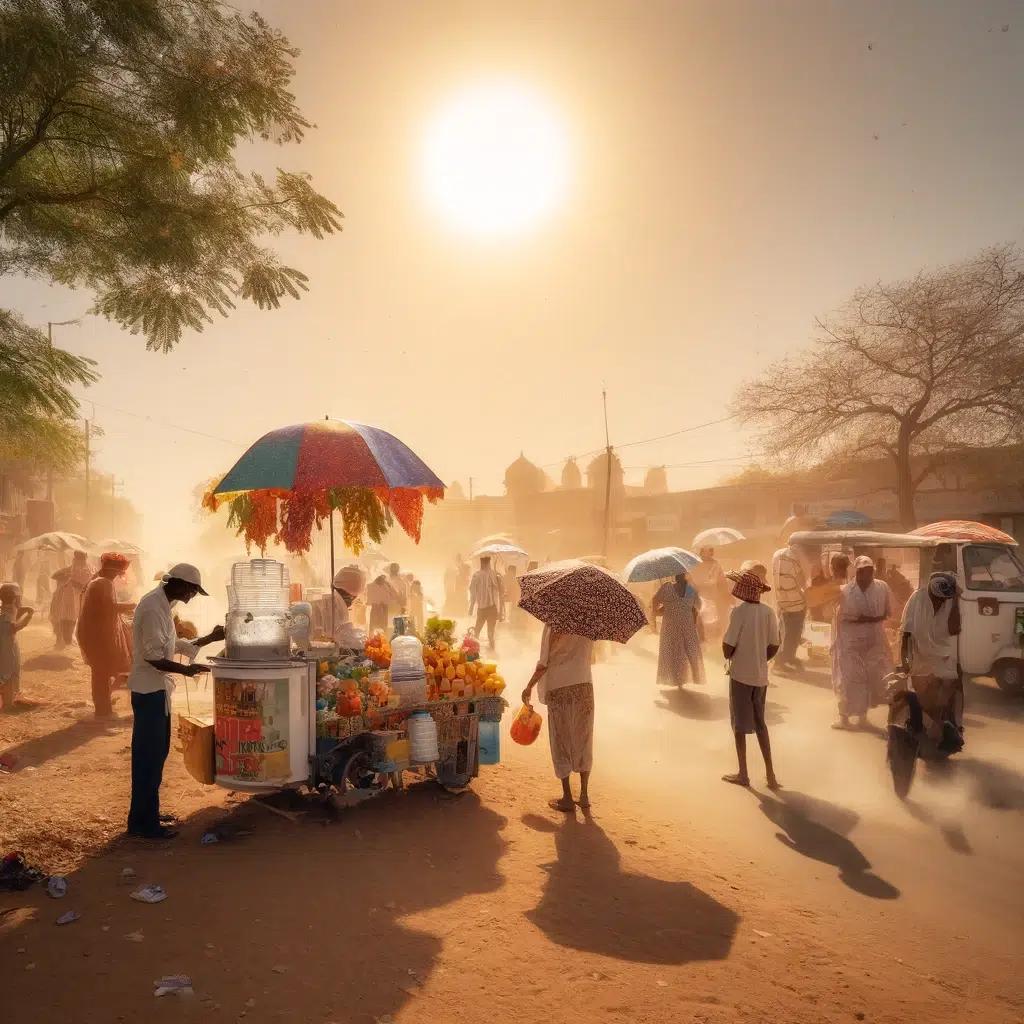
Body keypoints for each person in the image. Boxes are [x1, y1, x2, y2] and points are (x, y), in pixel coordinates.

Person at [127, 563, 223, 840]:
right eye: (192, 590)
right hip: (149, 692)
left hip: (158, 691)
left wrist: (209, 638)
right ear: (179, 584)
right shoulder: (152, 608)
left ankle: (147, 813)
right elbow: (153, 657)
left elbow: (175, 646)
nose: (192, 596)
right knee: (148, 758)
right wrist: (187, 671)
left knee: (157, 755)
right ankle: (143, 824)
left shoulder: (163, 606)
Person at [522, 624, 596, 812]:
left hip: (559, 687)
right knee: (584, 738)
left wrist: (529, 686)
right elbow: (592, 659)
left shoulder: (553, 624)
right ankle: (584, 795)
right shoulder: (589, 623)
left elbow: (543, 663)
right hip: (584, 686)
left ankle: (568, 797)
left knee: (560, 739)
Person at [722, 570, 780, 789]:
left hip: (740, 676)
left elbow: (728, 649)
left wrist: (737, 653)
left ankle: (743, 773)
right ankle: (771, 775)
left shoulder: (738, 612)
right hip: (760, 677)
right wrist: (759, 659)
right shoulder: (768, 612)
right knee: (760, 723)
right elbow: (774, 644)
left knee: (739, 724)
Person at [898, 572, 963, 752]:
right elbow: (906, 633)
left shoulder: (950, 600)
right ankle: (938, 728)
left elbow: (955, 628)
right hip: (920, 656)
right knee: (923, 698)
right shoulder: (917, 599)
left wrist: (956, 599)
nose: (942, 602)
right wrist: (904, 660)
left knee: (946, 694)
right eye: (939, 599)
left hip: (943, 657)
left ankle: (945, 727)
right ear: (931, 592)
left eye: (945, 599)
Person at [831, 555, 892, 730]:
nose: (866, 574)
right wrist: (865, 619)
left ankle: (863, 717)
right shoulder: (845, 591)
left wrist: (868, 619)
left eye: (869, 570)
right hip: (849, 642)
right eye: (862, 571)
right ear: (856, 572)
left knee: (868, 679)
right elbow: (839, 617)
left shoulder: (882, 587)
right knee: (846, 679)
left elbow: (887, 612)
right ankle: (844, 718)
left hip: (874, 640)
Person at [76, 552, 136, 717]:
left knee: (100, 672)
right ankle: (103, 710)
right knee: (101, 672)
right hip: (98, 635)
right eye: (117, 573)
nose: (118, 576)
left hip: (92, 633)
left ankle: (103, 707)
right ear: (112, 571)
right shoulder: (104, 583)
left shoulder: (97, 581)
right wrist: (131, 605)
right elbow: (109, 607)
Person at [652, 571, 705, 687]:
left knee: (672, 650)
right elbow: (698, 606)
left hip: (671, 625)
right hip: (687, 624)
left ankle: (675, 678)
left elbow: (654, 601)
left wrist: (659, 610)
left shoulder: (666, 588)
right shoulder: (691, 589)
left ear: (675, 577)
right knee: (686, 651)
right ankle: (682, 678)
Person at [771, 541, 808, 672]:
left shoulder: (777, 554)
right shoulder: (795, 558)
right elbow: (801, 580)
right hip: (796, 602)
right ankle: (780, 661)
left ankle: (789, 657)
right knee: (793, 633)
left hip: (781, 600)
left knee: (783, 632)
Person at [0, 583, 34, 710]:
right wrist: (28, 617)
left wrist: (23, 611)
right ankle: (8, 704)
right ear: (15, 598)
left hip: (5, 645)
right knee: (8, 673)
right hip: (7, 648)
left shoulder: (4, 609)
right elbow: (13, 627)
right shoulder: (7, 613)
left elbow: (12, 617)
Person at [323, 564, 367, 651]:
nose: (352, 601)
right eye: (352, 597)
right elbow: (341, 635)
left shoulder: (336, 600)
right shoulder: (336, 603)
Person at [468, 555, 504, 650]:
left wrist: (471, 607)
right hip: (492, 608)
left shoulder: (476, 575)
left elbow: (472, 592)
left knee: (477, 632)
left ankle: (474, 652)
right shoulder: (494, 574)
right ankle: (492, 651)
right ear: (488, 564)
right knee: (490, 633)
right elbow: (499, 589)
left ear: (481, 564)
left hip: (482, 609)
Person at [503, 565, 522, 631]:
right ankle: (510, 627)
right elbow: (517, 591)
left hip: (503, 600)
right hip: (512, 600)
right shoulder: (514, 579)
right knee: (510, 615)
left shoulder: (504, 577)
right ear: (513, 571)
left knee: (505, 615)